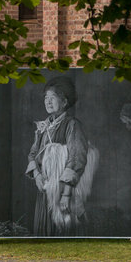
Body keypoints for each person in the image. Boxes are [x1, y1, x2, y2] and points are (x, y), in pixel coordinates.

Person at [25, 77, 99, 235]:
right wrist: (37, 175)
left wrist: (66, 194)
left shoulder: (72, 125)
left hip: (65, 190)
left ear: (64, 102)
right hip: (44, 190)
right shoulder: (43, 128)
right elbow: (33, 154)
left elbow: (77, 158)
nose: (48, 102)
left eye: (53, 98)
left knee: (64, 230)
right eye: (46, 98)